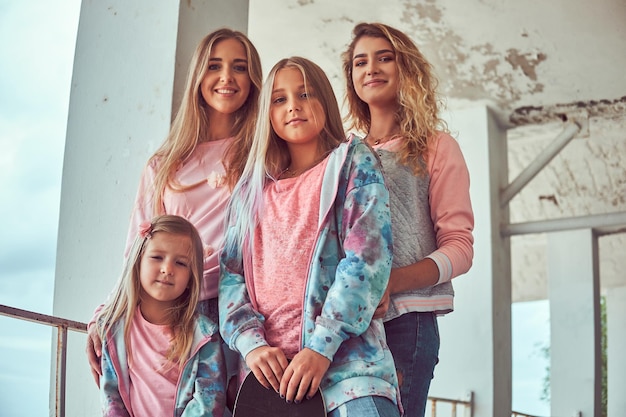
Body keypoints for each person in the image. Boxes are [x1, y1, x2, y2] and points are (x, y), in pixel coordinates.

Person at [85, 27, 263, 408]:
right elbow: (138, 247)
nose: (226, 77)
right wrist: (107, 312)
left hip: (236, 316)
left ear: (254, 81)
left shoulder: (263, 161)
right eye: (214, 66)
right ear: (199, 75)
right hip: (172, 319)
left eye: (239, 67)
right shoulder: (163, 166)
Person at [219, 56, 401, 417]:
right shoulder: (250, 190)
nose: (294, 106)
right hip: (272, 385)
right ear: (267, 114)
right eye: (280, 99)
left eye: (305, 94)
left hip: (350, 373)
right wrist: (250, 344)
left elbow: (367, 260)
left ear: (325, 102)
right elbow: (230, 277)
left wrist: (321, 347)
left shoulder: (351, 161)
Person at [341, 22, 475, 417]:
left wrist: (391, 283)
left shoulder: (437, 147)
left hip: (406, 324)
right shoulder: (341, 154)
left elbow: (460, 249)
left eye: (385, 57)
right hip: (348, 322)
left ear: (407, 68)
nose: (371, 68)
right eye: (360, 61)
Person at [95, 214, 226, 416]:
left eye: (181, 263)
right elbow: (112, 398)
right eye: (157, 257)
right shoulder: (115, 330)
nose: (167, 269)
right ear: (138, 261)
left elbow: (208, 401)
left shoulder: (205, 335)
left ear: (192, 276)